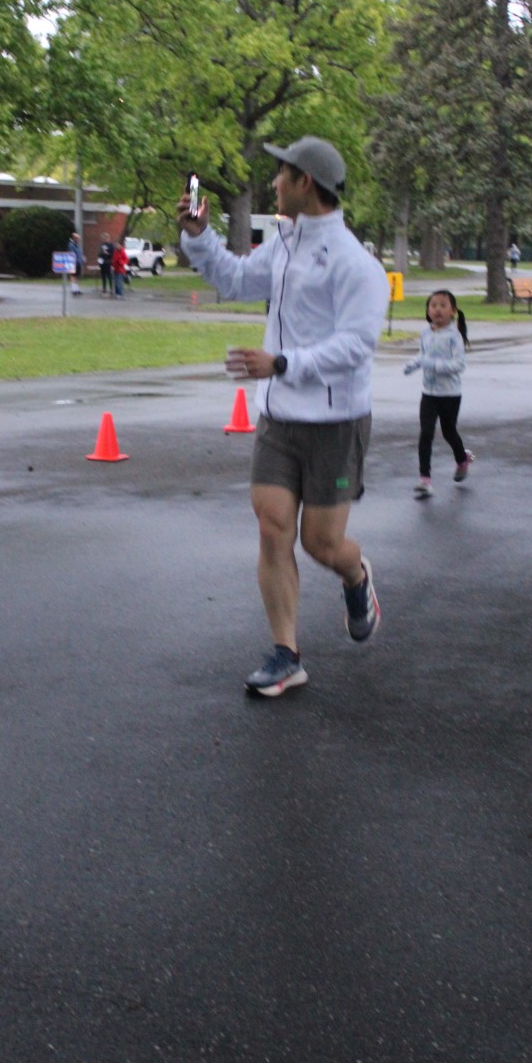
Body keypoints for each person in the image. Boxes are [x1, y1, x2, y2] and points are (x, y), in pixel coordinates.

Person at [179, 135, 390, 699]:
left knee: (322, 544)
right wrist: (199, 236)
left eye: (281, 174)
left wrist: (282, 363)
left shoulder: (355, 264)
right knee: (272, 527)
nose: (273, 182)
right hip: (278, 418)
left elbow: (356, 346)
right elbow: (232, 279)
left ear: (305, 183)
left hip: (335, 422)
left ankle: (356, 575)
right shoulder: (283, 245)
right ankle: (286, 655)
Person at [404, 290, 473, 498]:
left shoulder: (454, 336)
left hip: (450, 394)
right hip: (429, 393)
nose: (438, 310)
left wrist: (431, 364)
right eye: (433, 305)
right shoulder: (425, 333)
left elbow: (459, 365)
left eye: (443, 305)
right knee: (426, 433)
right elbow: (422, 355)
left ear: (453, 311)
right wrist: (413, 364)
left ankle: (462, 459)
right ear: (427, 311)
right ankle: (424, 479)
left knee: (448, 431)